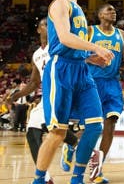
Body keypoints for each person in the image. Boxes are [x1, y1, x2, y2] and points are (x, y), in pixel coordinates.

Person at [32, 0, 113, 184]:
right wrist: (96, 48)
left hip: (81, 70)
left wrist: (88, 56)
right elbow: (65, 38)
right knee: (58, 132)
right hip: (61, 70)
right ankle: (39, 179)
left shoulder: (77, 8)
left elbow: (74, 45)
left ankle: (77, 178)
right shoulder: (60, 4)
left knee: (95, 126)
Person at [9, 18, 79, 184]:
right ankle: (70, 145)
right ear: (39, 30)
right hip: (48, 94)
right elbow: (34, 82)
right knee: (35, 128)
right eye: (46, 24)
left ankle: (43, 176)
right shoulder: (37, 54)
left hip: (63, 90)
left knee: (42, 126)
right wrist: (18, 95)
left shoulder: (62, 44)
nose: (50, 27)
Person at [85, 4, 124, 183]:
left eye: (114, 10)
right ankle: (72, 147)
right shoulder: (90, 31)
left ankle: (97, 169)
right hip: (91, 82)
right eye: (108, 10)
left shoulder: (122, 35)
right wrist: (93, 59)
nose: (113, 12)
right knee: (91, 127)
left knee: (111, 123)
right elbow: (76, 55)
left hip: (112, 83)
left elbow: (121, 60)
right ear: (99, 14)